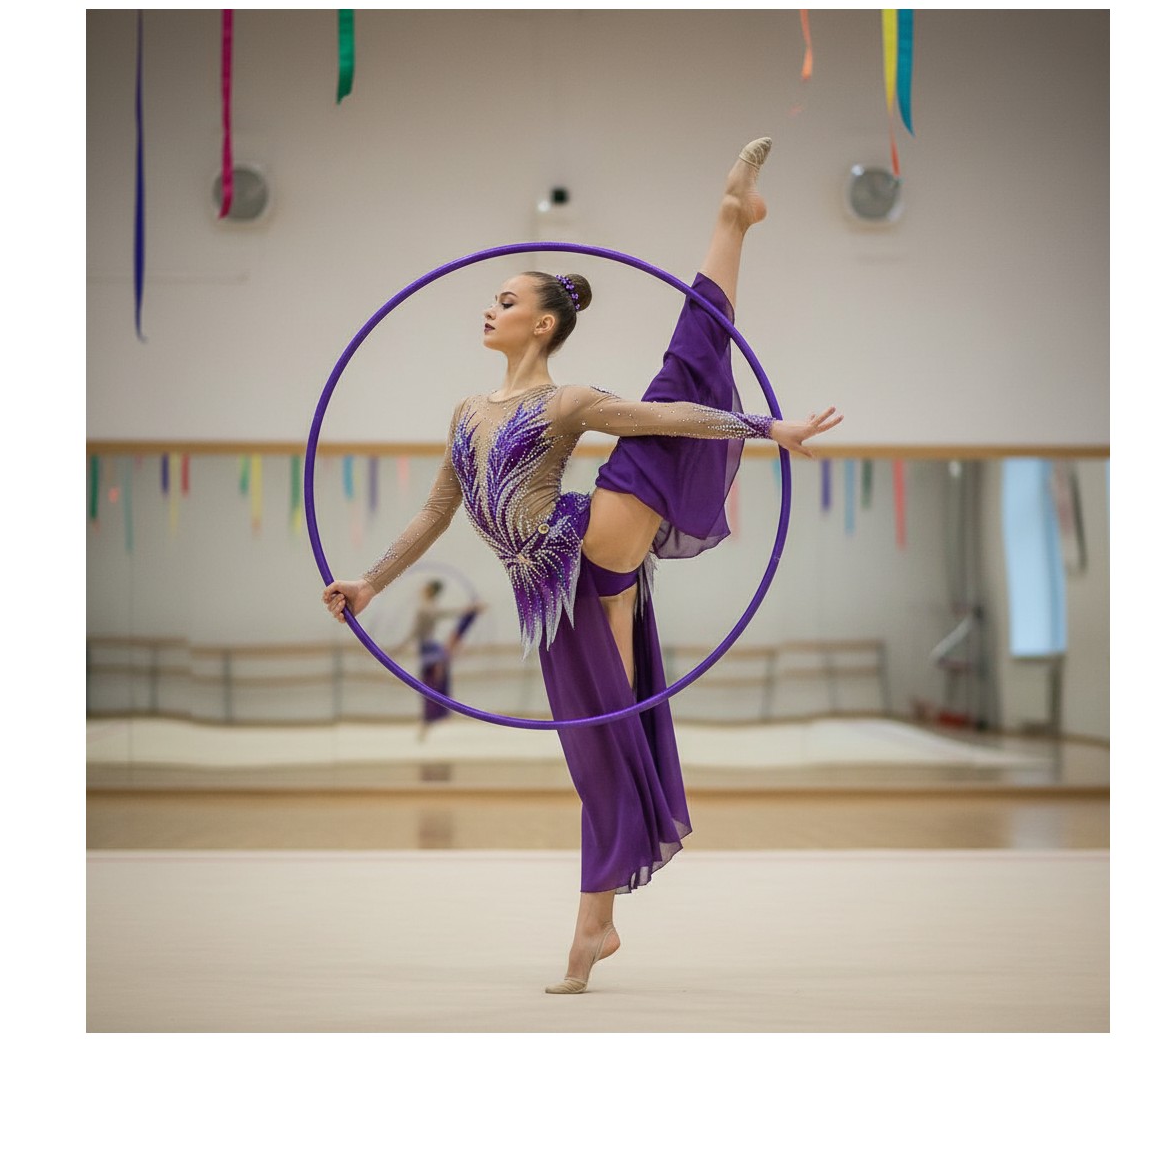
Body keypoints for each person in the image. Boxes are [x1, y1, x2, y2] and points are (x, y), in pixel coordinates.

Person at [323, 138, 842, 993]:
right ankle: (595, 930)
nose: (489, 310)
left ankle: (731, 219)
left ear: (543, 324)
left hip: (587, 540)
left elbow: (665, 418)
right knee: (600, 759)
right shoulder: (466, 413)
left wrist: (764, 431)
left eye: (505, 301)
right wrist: (370, 583)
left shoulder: (564, 401)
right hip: (551, 595)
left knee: (681, 379)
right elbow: (437, 513)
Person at [392, 579, 483, 739]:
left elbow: (416, 631)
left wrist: (401, 647)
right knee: (433, 684)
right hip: (429, 649)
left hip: (430, 650)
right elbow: (446, 614)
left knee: (431, 685)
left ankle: (430, 719)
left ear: (428, 591)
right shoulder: (428, 607)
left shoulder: (425, 608)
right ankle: (431, 719)